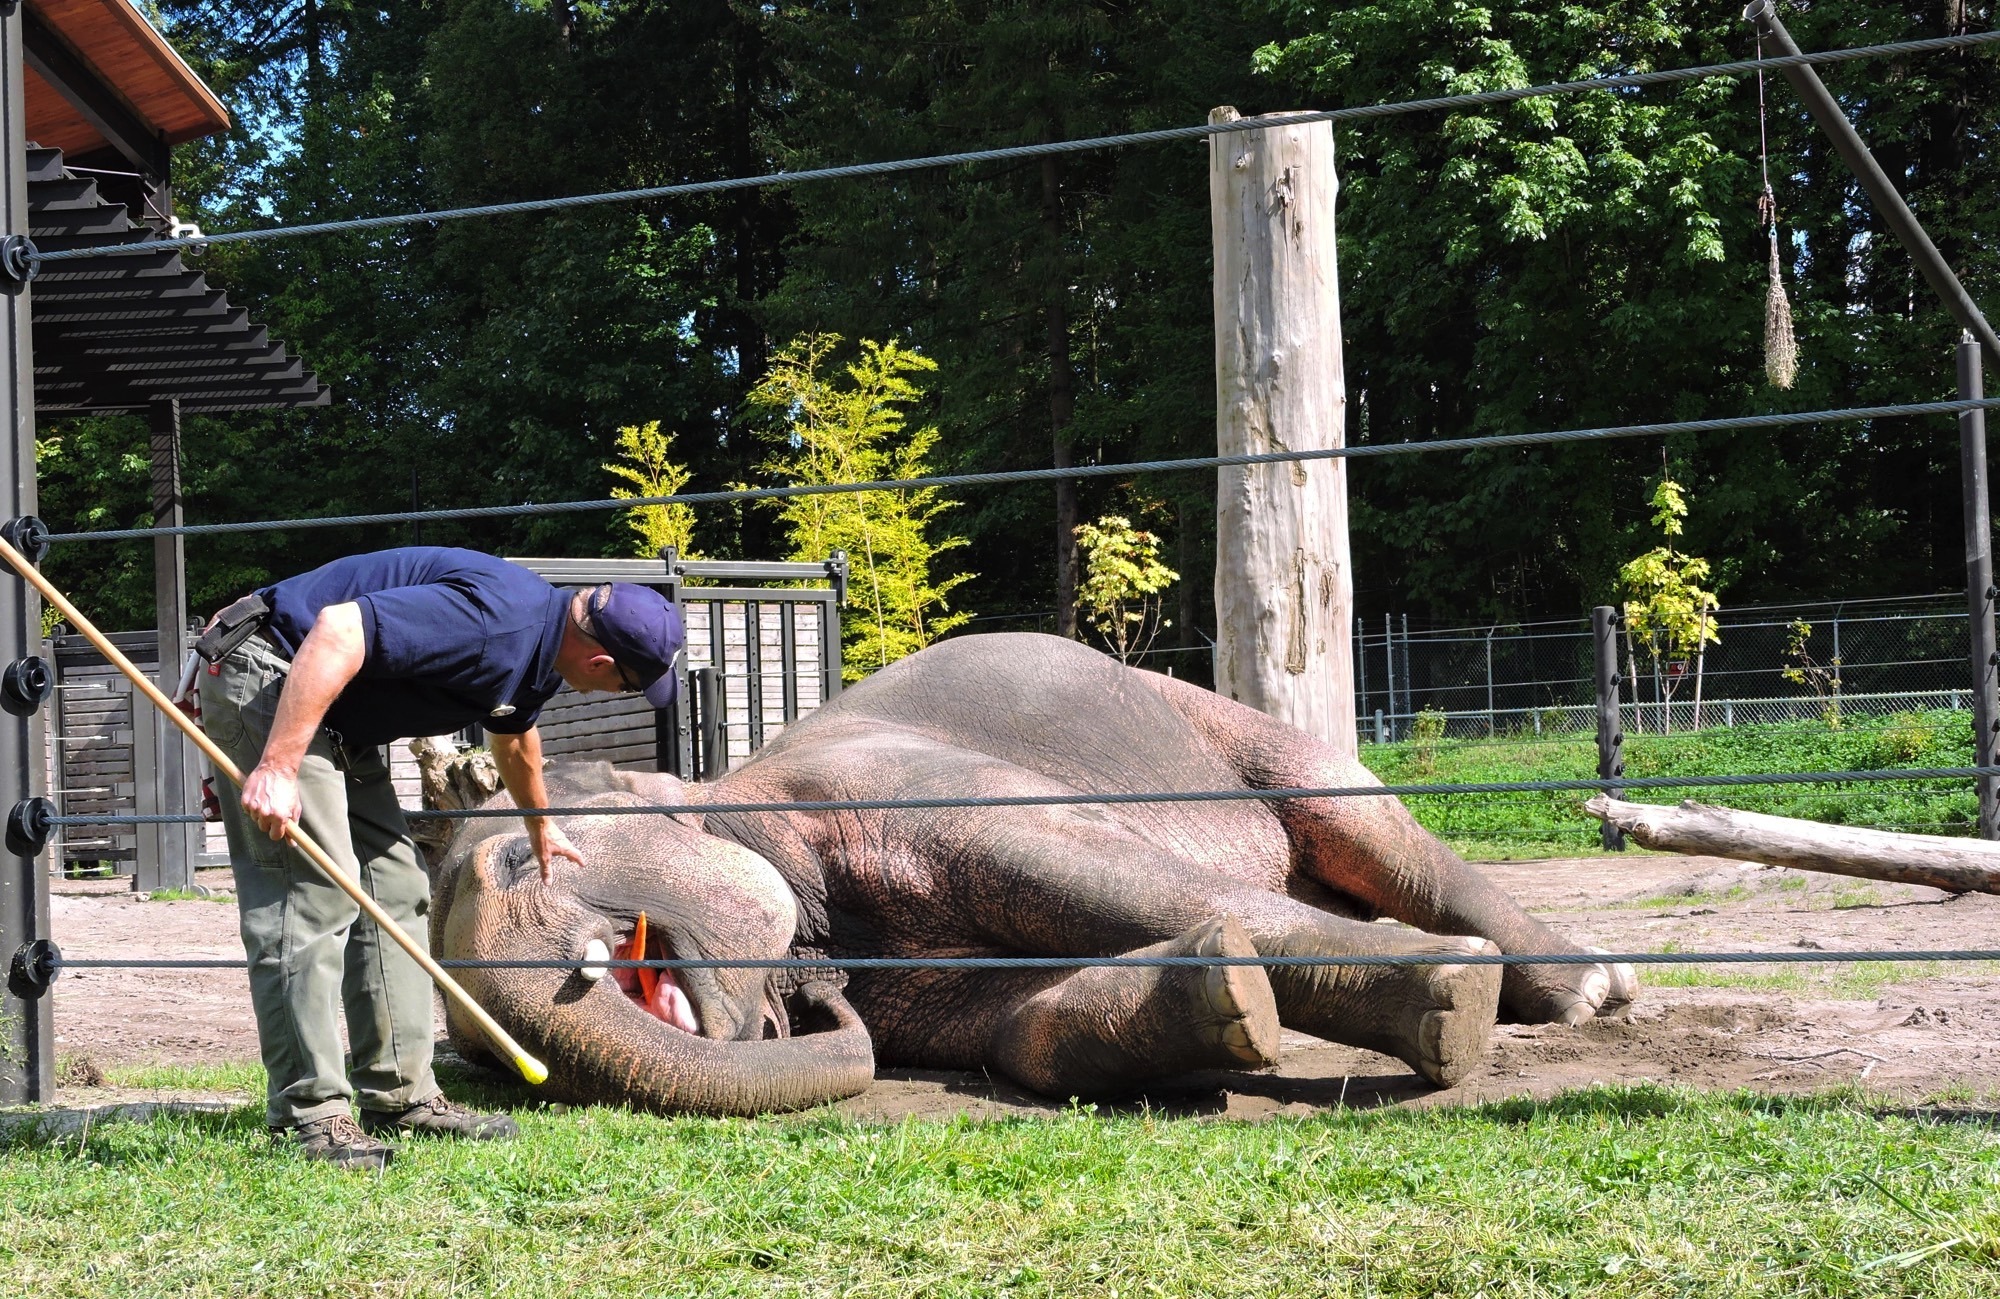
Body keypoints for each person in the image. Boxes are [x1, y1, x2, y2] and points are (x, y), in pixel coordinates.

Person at [198, 547, 683, 1169]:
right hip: (272, 675)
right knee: (313, 896)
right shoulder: (497, 623)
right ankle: (311, 1116)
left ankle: (400, 1096)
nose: (620, 694)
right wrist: (278, 765)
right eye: (629, 686)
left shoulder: (539, 647)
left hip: (340, 716)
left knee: (398, 891)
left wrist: (539, 823)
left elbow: (513, 732)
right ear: (601, 661)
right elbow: (338, 630)